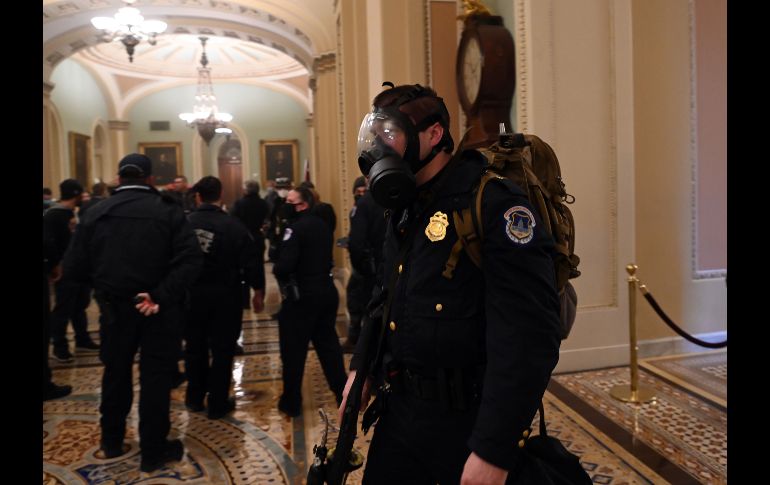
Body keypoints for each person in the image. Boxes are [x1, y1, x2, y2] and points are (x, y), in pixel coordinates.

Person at [339, 84, 562, 484]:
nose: (380, 146)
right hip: (401, 412)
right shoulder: (404, 206)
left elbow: (527, 338)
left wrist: (494, 450)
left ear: (434, 134)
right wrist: (362, 369)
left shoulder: (493, 205)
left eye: (390, 134)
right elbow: (383, 295)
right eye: (377, 136)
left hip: (466, 423)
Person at [63, 153, 203, 473]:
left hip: (114, 308)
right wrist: (158, 295)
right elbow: (191, 260)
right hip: (157, 310)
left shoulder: (94, 212)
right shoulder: (167, 211)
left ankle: (111, 440)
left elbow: (74, 268)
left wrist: (103, 288)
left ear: (118, 178)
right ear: (151, 179)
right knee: (155, 379)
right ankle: (153, 451)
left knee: (115, 374)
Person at [184, 176, 265, 419]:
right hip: (225, 297)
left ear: (198, 197)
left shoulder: (184, 224)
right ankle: (217, 402)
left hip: (191, 296)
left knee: (194, 348)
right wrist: (258, 291)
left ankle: (194, 398)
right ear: (221, 195)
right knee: (222, 350)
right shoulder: (233, 226)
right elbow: (251, 261)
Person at [273, 186, 347, 417]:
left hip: (302, 298)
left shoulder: (294, 229)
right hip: (326, 292)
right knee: (329, 347)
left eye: (290, 201)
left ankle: (291, 402)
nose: (286, 205)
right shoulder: (322, 225)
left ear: (302, 205)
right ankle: (343, 394)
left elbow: (284, 266)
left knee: (293, 352)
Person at [46, 179, 100, 362]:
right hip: (65, 269)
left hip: (79, 268)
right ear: (76, 194)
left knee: (80, 306)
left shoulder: (70, 212)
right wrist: (55, 265)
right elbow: (50, 243)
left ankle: (82, 339)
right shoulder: (54, 215)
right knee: (64, 309)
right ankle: (59, 346)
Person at [343, 176, 385, 351]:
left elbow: (357, 242)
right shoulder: (387, 198)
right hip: (385, 265)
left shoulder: (364, 205)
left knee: (362, 302)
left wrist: (361, 266)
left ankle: (362, 345)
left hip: (369, 268)